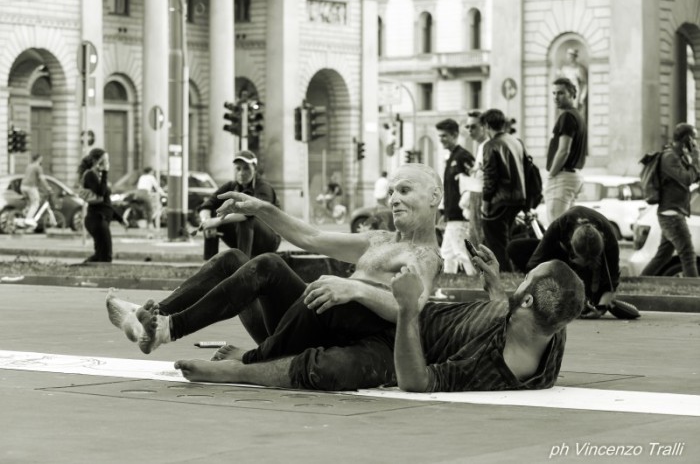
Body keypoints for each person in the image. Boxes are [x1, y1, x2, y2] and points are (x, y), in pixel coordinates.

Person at [106, 163, 444, 390]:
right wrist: (260, 209)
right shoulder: (379, 240)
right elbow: (311, 238)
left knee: (268, 264)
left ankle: (199, 341)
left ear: (433, 198)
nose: (394, 199)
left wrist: (355, 289)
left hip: (334, 339)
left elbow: (412, 306)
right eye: (392, 191)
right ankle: (157, 320)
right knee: (234, 260)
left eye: (405, 190)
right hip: (300, 325)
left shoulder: (424, 255)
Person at [171, 245, 585, 392]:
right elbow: (504, 310)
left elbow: (416, 381)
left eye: (524, 279)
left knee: (329, 370)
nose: (521, 281)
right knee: (318, 290)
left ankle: (241, 368)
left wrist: (407, 310)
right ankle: (163, 322)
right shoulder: (550, 327)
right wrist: (494, 283)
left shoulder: (492, 370)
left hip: (400, 345)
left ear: (529, 301)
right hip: (392, 321)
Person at [506, 206, 621, 319]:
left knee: (594, 296)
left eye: (590, 260)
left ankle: (588, 298)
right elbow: (534, 263)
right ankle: (563, 290)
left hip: (594, 268)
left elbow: (612, 281)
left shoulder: (610, 240)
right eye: (583, 260)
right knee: (514, 248)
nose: (585, 262)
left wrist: (600, 307)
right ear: (571, 244)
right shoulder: (560, 225)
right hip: (563, 256)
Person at [198, 150, 281, 260]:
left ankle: (242, 265)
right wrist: (206, 222)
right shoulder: (231, 186)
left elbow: (251, 212)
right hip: (243, 237)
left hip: (268, 241)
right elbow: (208, 204)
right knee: (214, 214)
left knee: (245, 217)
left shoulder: (264, 188)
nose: (242, 172)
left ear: (255, 169)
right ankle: (209, 264)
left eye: (246, 168)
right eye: (238, 168)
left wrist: (217, 221)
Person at [642, 123, 700, 277]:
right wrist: (695, 158)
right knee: (688, 254)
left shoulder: (679, 157)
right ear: (686, 139)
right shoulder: (669, 158)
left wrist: (694, 159)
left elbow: (695, 176)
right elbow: (686, 179)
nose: (695, 142)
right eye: (693, 138)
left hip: (673, 213)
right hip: (671, 215)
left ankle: (639, 282)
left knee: (663, 257)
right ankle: (694, 294)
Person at [480, 108, 527, 272]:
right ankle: (512, 270)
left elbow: (490, 177)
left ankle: (505, 273)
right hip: (518, 197)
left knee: (496, 241)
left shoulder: (490, 145)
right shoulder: (515, 142)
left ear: (486, 125)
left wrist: (485, 203)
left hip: (500, 199)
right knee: (507, 238)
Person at [544, 77, 587, 226]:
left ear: (572, 94)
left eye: (561, 93)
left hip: (562, 176)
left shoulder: (567, 116)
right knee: (567, 227)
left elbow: (563, 151)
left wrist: (551, 175)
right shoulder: (578, 116)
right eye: (554, 93)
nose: (556, 97)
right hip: (573, 176)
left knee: (556, 228)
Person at [436, 118, 476, 275]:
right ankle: (448, 285)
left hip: (460, 215)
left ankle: (474, 282)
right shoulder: (452, 157)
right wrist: (445, 213)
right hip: (452, 215)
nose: (441, 140)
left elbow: (473, 186)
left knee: (462, 252)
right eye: (439, 136)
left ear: (454, 135)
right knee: (447, 254)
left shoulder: (462, 157)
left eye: (444, 136)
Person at [78, 148, 125, 263]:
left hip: (101, 219)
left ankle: (81, 270)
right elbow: (101, 192)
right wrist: (105, 172)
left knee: (100, 256)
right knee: (106, 256)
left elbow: (106, 203)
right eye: (105, 160)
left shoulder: (97, 175)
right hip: (97, 219)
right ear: (96, 160)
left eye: (107, 160)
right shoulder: (90, 175)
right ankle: (84, 272)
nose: (107, 162)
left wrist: (119, 219)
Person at [460, 111, 489, 248]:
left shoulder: (487, 146)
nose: (470, 130)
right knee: (475, 239)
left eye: (473, 127)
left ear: (484, 126)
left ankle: (482, 269)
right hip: (478, 195)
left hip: (481, 196)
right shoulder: (481, 146)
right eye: (468, 127)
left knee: (477, 240)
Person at [20, 152, 52, 230]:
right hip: (30, 187)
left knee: (30, 203)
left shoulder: (29, 166)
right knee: (36, 203)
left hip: (23, 186)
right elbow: (42, 179)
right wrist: (48, 187)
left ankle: (24, 215)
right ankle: (28, 219)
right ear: (39, 159)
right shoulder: (38, 167)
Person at [558, 48, 588, 120]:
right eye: (568, 56)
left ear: (574, 57)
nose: (569, 58)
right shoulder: (564, 69)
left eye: (571, 56)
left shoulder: (579, 69)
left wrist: (582, 97)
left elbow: (584, 84)